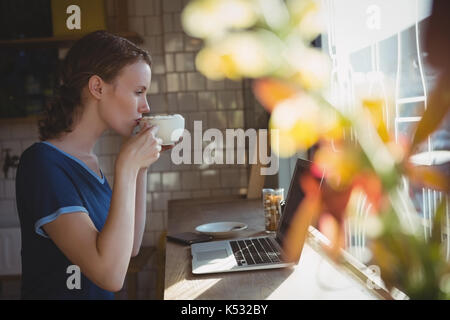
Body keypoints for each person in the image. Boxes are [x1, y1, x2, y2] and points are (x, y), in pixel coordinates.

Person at [15, 30, 167, 299]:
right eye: (138, 92)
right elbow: (110, 276)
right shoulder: (42, 164)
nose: (146, 106)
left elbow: (129, 247)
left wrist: (140, 167)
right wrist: (127, 167)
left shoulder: (90, 162)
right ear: (97, 87)